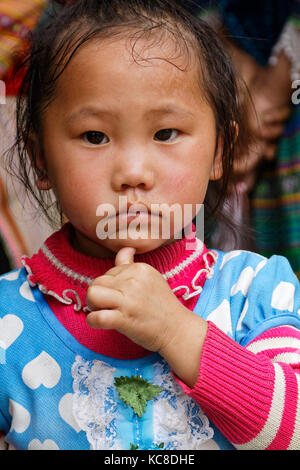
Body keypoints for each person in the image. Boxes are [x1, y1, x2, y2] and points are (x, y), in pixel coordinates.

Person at [0, 0, 299, 451]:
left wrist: (175, 330)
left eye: (165, 134)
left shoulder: (254, 292)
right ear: (41, 158)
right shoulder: (9, 320)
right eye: (94, 137)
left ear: (221, 151)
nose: (134, 172)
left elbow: (292, 432)